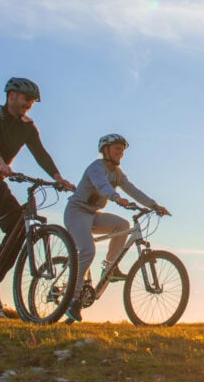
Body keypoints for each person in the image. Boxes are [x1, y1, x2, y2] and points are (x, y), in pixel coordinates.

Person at [0, 77, 76, 318]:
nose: (29, 104)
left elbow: (40, 153)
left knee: (19, 226)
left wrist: (57, 177)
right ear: (11, 96)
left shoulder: (27, 126)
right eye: (26, 99)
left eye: (32, 102)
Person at [63, 133, 169, 323]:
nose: (121, 153)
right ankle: (72, 300)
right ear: (105, 150)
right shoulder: (96, 167)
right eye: (117, 149)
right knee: (88, 250)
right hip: (76, 212)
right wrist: (116, 197)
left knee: (122, 225)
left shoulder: (117, 173)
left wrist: (154, 205)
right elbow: (101, 185)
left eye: (122, 150)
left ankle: (110, 268)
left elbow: (133, 190)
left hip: (93, 215)